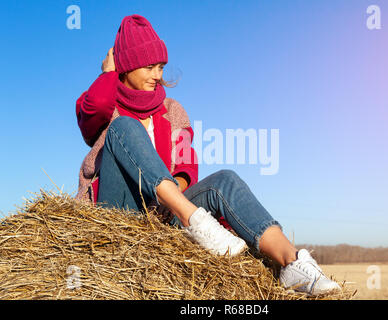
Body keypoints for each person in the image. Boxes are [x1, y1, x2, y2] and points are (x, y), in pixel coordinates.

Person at [75, 14, 340, 296]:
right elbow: (95, 106)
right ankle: (195, 220)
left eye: (161, 67)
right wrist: (108, 73)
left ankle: (294, 266)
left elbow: (186, 165)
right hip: (118, 212)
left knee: (225, 179)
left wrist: (173, 192)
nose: (157, 75)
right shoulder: (107, 108)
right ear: (126, 67)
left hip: (163, 216)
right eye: (149, 67)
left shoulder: (172, 109)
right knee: (124, 127)